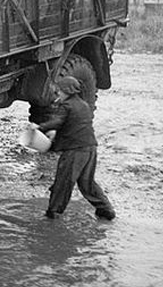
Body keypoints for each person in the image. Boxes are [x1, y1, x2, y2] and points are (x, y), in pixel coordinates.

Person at [33, 75, 115, 220]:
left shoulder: (67, 105)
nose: (57, 93)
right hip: (90, 148)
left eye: (59, 91)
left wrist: (40, 127)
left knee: (63, 182)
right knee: (87, 183)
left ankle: (54, 213)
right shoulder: (83, 105)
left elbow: (58, 122)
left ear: (67, 91)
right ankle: (105, 209)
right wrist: (55, 134)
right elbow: (74, 125)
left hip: (75, 151)